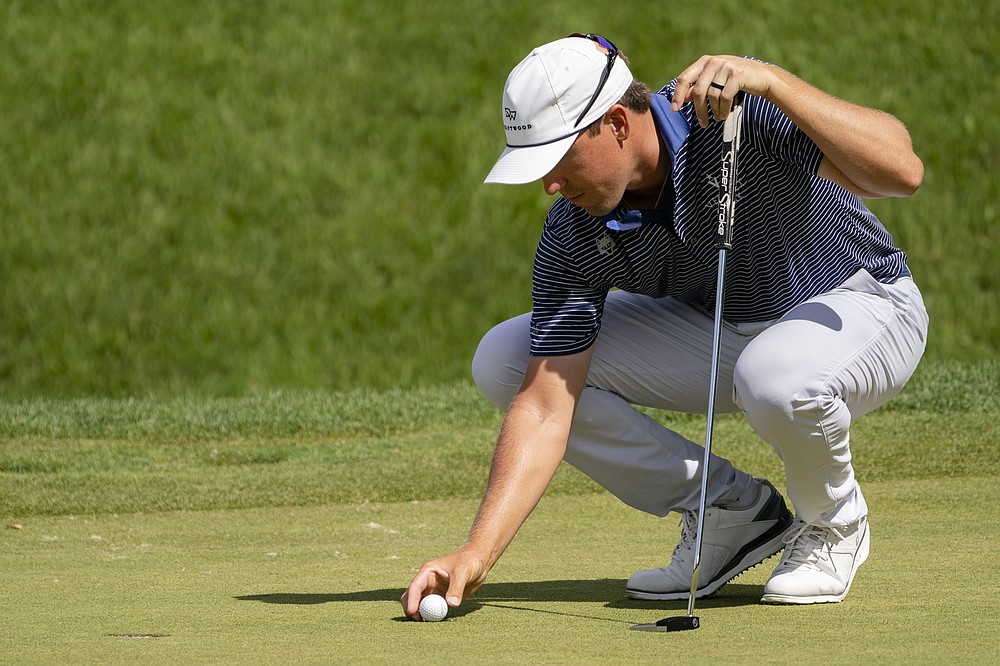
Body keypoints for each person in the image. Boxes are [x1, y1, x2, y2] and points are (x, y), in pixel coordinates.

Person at [401, 34, 928, 620]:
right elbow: (547, 406)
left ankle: (835, 524)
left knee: (775, 375)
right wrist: (477, 553)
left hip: (864, 305)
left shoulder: (730, 114)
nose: (549, 185)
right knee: (504, 359)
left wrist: (773, 82)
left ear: (618, 124)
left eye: (557, 158)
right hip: (729, 330)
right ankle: (731, 511)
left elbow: (902, 170)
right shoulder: (573, 231)